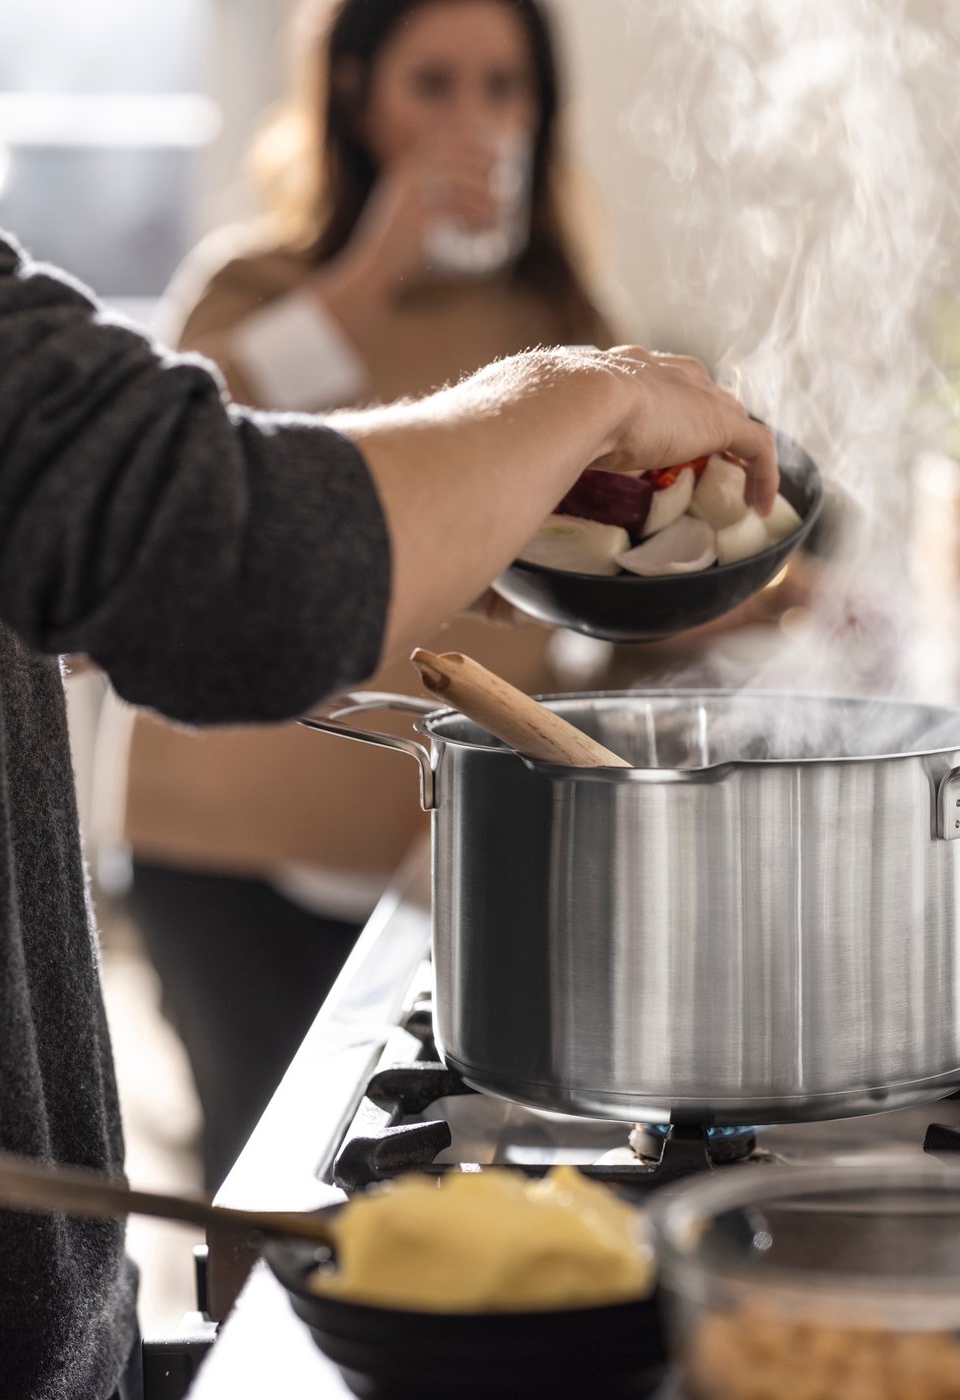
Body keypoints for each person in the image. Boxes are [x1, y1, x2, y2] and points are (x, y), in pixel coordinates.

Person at [0, 216, 774, 1400]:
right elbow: (224, 546)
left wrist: (481, 533)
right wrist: (580, 394)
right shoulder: (267, 275)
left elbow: (56, 566)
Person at [118, 0, 620, 1188]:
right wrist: (372, 272)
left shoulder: (553, 318)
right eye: (432, 83)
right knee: (271, 1180)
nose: (475, 120)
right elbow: (195, 453)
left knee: (432, 1185)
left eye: (505, 88)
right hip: (232, 848)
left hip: (451, 854)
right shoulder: (253, 282)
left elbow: (581, 561)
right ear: (352, 93)